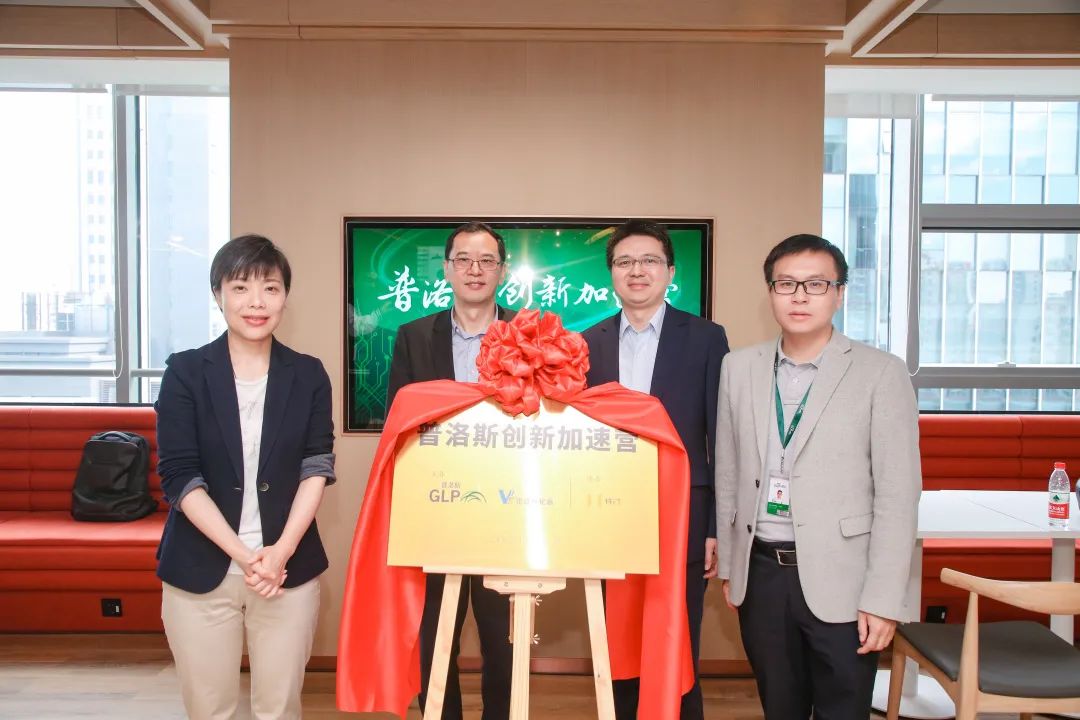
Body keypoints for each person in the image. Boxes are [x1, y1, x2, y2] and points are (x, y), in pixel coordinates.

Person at [714, 234, 921, 719]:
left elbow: (898, 496)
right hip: (762, 575)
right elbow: (728, 469)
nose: (800, 296)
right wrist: (731, 566)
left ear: (839, 293)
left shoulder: (881, 373)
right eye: (786, 283)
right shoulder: (738, 367)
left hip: (844, 579)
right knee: (779, 707)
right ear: (771, 292)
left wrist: (883, 599)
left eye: (816, 284)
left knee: (842, 710)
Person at [155, 234, 336, 720]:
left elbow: (317, 466)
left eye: (270, 288)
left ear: (284, 297)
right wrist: (245, 555)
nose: (256, 302)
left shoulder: (309, 374)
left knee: (279, 708)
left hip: (287, 572)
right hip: (201, 571)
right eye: (240, 288)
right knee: (209, 709)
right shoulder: (185, 372)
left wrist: (280, 553)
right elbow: (179, 477)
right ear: (218, 294)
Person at [582, 219, 729, 720]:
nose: (637, 271)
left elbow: (721, 437)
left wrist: (715, 526)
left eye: (649, 260)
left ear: (670, 271)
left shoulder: (707, 338)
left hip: (683, 514)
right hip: (607, 515)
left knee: (678, 637)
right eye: (624, 261)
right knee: (619, 640)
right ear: (611, 273)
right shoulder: (587, 343)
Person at [386, 221, 514, 720]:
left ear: (502, 270)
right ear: (446, 268)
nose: (474, 270)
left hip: (508, 513)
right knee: (436, 637)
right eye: (463, 259)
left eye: (486, 260)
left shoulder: (527, 334)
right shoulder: (414, 337)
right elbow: (400, 428)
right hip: (436, 513)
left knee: (504, 639)